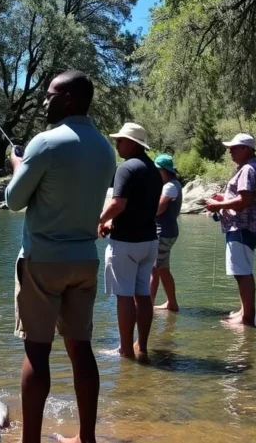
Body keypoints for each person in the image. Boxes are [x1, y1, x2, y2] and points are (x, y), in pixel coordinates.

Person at [5, 70, 116, 443]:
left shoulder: (46, 143)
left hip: (43, 262)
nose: (44, 101)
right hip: (85, 261)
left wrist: (17, 164)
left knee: (37, 352)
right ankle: (87, 438)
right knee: (80, 350)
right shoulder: (105, 147)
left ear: (69, 99)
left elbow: (13, 200)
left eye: (50, 95)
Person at [97, 122, 160, 360]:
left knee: (124, 296)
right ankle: (141, 346)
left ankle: (124, 350)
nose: (117, 143)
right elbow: (140, 207)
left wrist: (99, 221)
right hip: (149, 241)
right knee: (142, 294)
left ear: (133, 144)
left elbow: (118, 204)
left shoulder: (126, 168)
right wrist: (113, 222)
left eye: (120, 140)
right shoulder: (153, 169)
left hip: (125, 243)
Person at [205, 133, 256, 326]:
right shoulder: (250, 167)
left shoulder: (248, 169)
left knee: (242, 272)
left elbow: (244, 201)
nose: (230, 150)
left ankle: (247, 318)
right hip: (245, 226)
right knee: (241, 271)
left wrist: (218, 206)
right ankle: (244, 311)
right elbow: (243, 196)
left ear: (246, 149)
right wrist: (224, 198)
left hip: (242, 226)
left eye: (234, 147)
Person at [152, 154, 183, 312]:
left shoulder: (170, 186)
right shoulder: (173, 184)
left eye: (156, 169)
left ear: (162, 170)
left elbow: (158, 209)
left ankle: (147, 306)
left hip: (163, 233)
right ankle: (171, 303)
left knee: (153, 269)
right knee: (163, 269)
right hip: (169, 231)